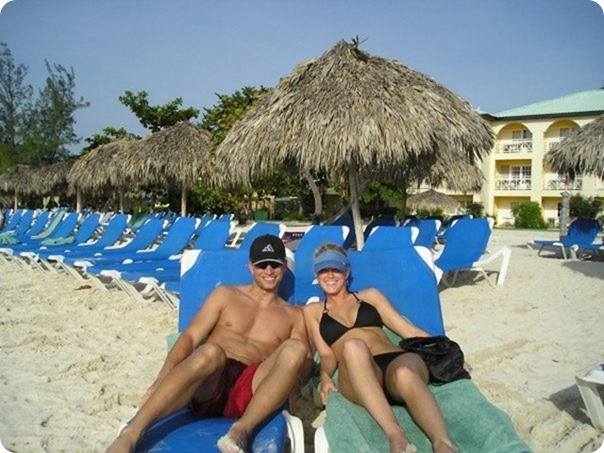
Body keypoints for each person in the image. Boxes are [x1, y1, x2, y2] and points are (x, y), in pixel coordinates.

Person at [108, 235, 312, 453]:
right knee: (211, 351)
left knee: (296, 347)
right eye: (262, 265)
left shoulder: (293, 315)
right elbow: (190, 337)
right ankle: (131, 433)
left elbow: (306, 361)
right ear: (251, 267)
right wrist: (162, 377)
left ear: (284, 267)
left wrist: (296, 382)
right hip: (210, 382)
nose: (269, 271)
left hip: (252, 389)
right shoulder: (226, 295)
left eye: (275, 264)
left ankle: (241, 431)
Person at [303, 243, 457, 453]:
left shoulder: (370, 296)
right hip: (358, 373)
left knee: (405, 373)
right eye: (323, 270)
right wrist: (325, 375)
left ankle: (443, 444)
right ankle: (396, 436)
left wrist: (446, 350)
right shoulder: (312, 311)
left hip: (394, 360)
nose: (330, 275)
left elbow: (407, 329)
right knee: (353, 347)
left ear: (346, 272)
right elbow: (326, 354)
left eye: (336, 269)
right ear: (316, 275)